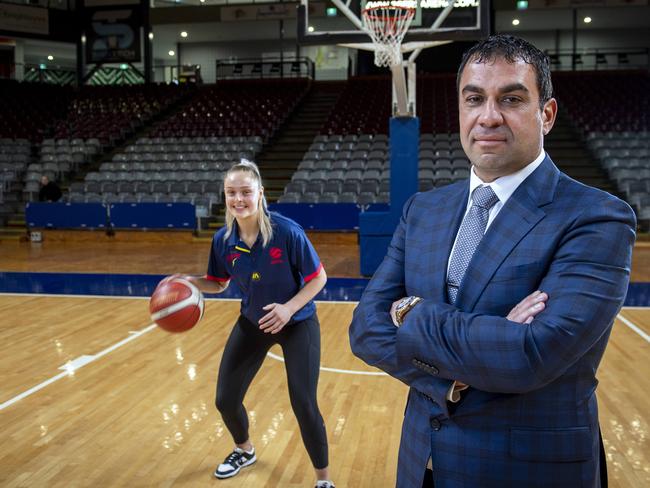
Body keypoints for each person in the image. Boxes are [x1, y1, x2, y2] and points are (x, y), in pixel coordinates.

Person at [349, 34, 636, 488]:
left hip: (530, 470)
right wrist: (455, 374)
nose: (489, 116)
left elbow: (531, 355)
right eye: (475, 99)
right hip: (422, 463)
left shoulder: (597, 217)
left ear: (547, 114)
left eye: (512, 99)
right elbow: (365, 328)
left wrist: (411, 312)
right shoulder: (423, 210)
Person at [175, 160, 335, 488]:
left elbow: (319, 279)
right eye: (231, 192)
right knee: (225, 399)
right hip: (253, 322)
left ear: (260, 194)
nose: (238, 199)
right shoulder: (223, 240)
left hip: (297, 323)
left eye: (245, 192)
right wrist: (187, 282)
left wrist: (289, 309)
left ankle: (323, 481)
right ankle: (244, 450)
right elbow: (217, 283)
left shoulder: (288, 232)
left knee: (304, 403)